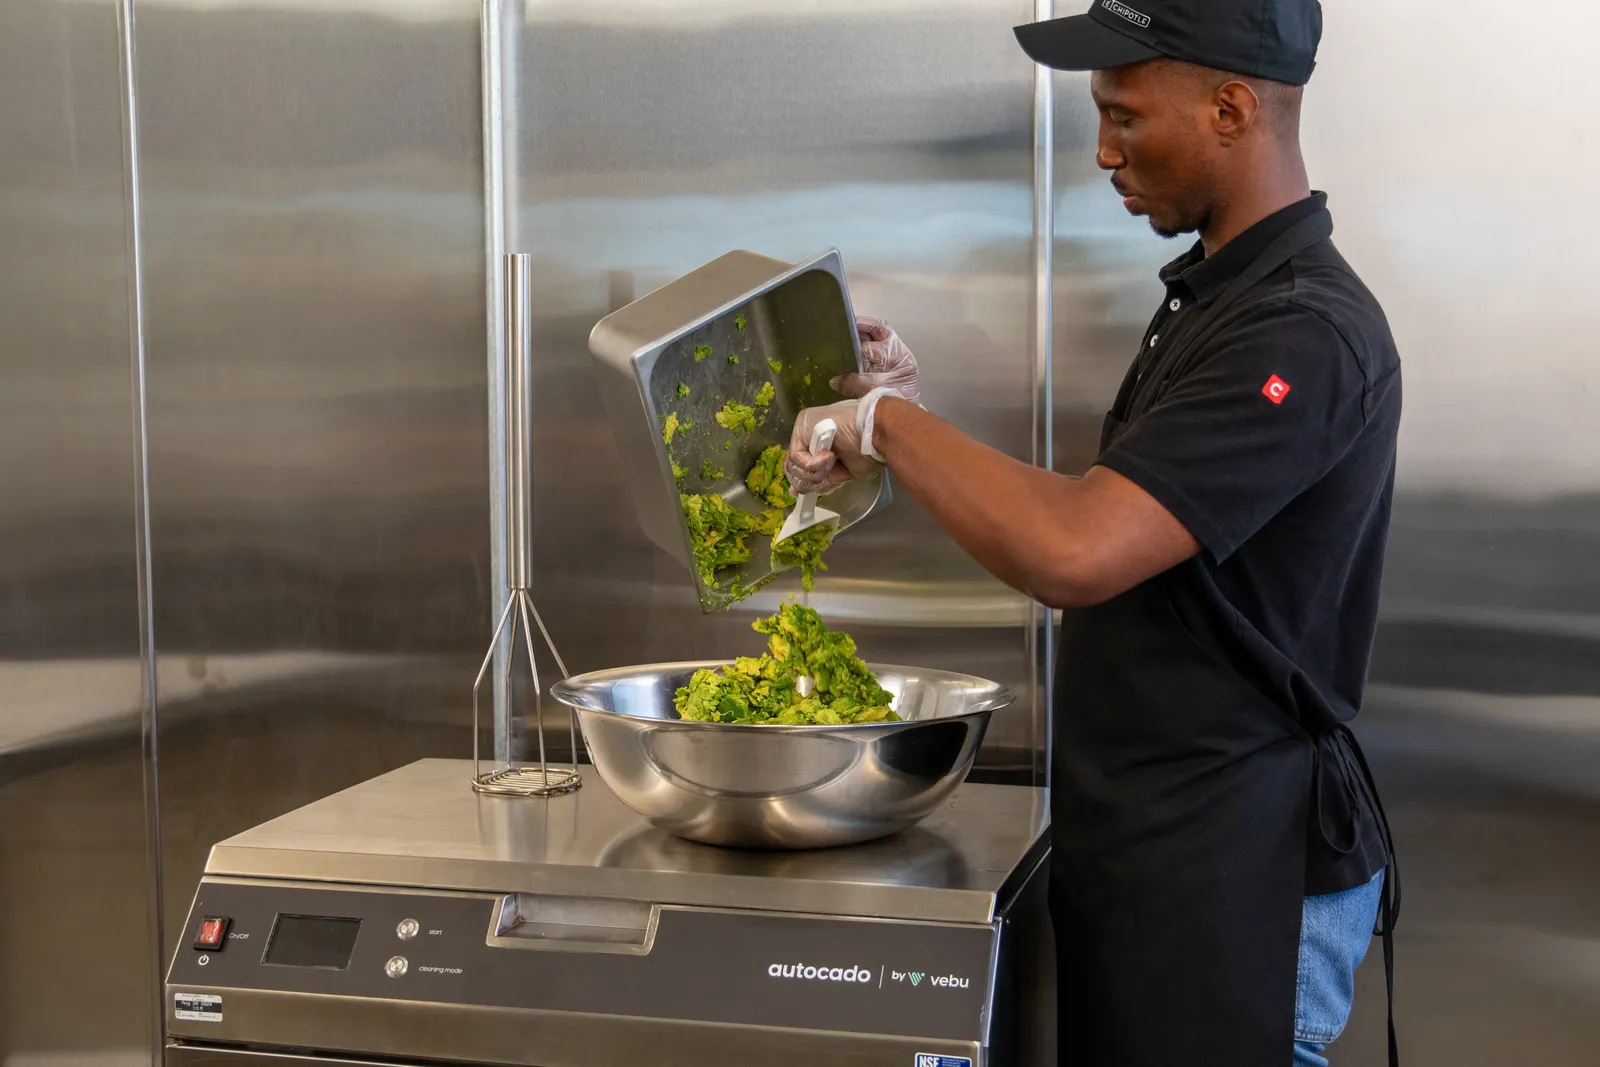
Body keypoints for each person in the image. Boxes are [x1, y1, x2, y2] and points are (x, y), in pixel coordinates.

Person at [786, 2, 1402, 1065]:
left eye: (1122, 115)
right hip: (1168, 853)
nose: (1105, 150)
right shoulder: (1222, 297)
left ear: (1230, 107)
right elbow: (1121, 508)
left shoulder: (1302, 328)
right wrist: (909, 418)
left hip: (1240, 879)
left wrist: (890, 425)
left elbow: (1077, 546)